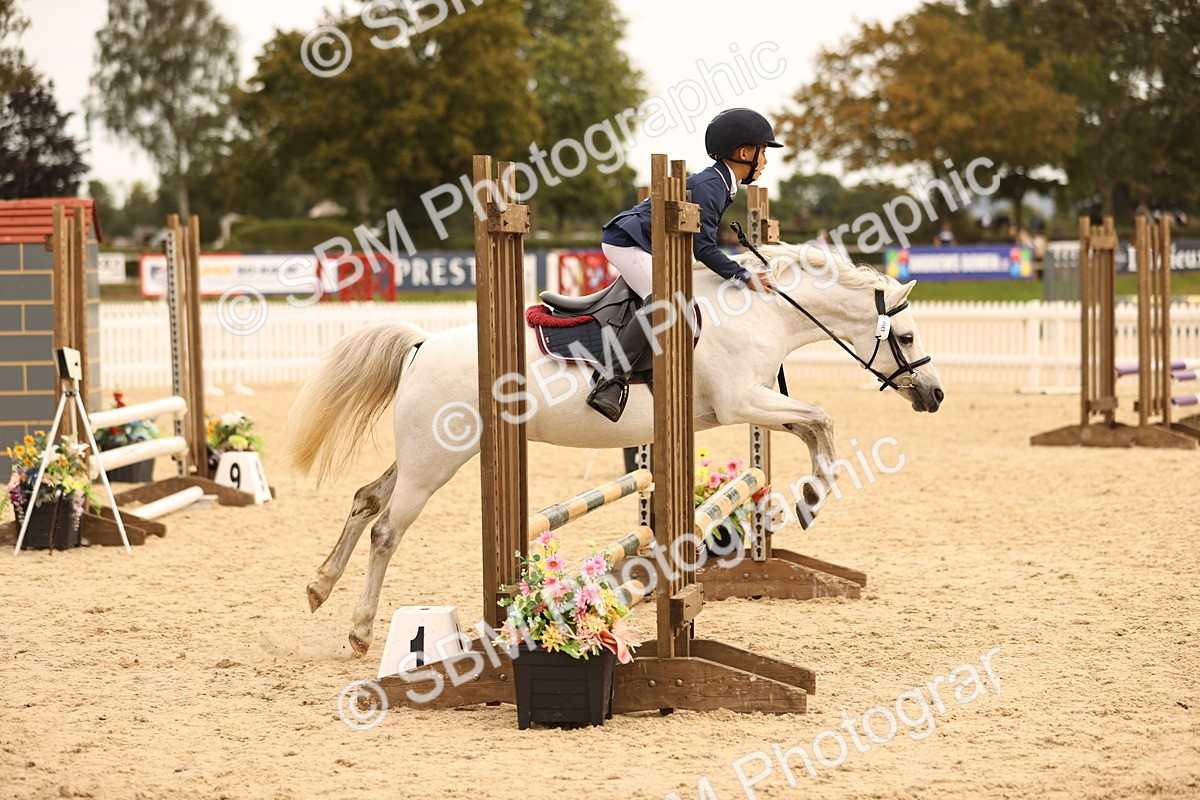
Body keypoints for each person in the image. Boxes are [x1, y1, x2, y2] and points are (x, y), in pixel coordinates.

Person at [587, 108, 781, 422]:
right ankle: (611, 381)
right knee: (662, 302)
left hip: (644, 243)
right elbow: (704, 248)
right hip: (627, 242)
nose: (765, 161)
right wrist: (743, 276)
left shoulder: (719, 184)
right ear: (744, 152)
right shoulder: (711, 186)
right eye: (763, 152)